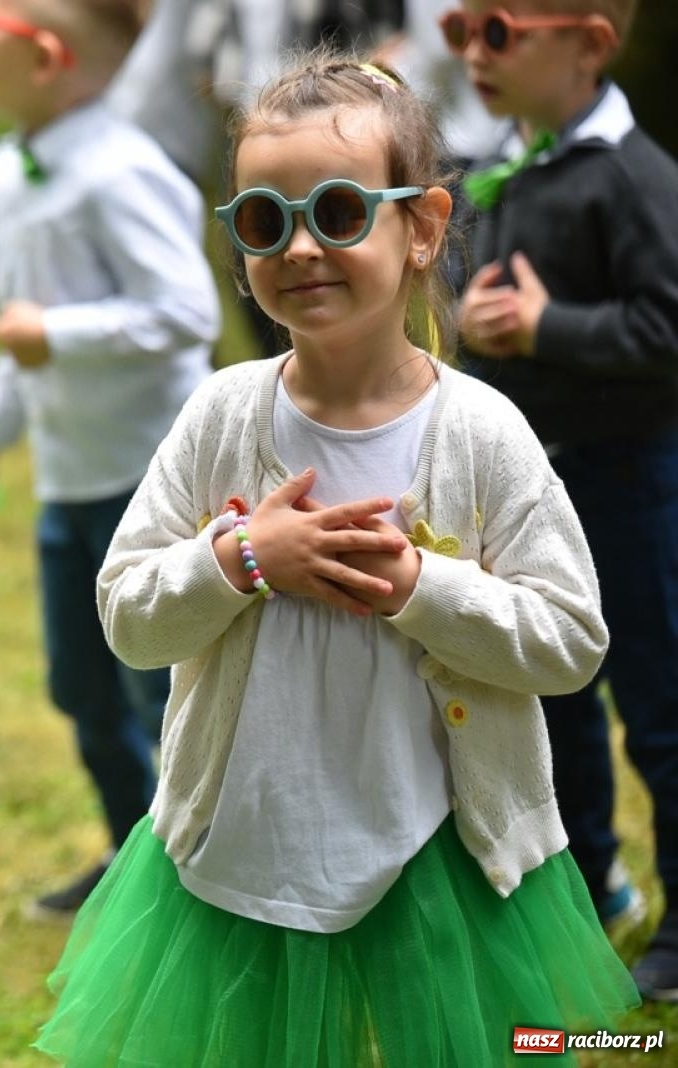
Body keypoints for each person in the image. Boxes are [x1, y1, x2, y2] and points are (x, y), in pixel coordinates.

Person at [35, 55, 638, 1066]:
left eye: (341, 211)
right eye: (265, 221)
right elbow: (129, 619)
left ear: (424, 227)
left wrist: (420, 586)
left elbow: (569, 641)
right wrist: (238, 558)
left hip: (440, 855)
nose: (302, 246)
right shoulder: (222, 416)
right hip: (248, 853)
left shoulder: (482, 433)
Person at [0, 0, 219, 919]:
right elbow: (25, 331)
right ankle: (131, 852)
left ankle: (194, 870)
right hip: (66, 477)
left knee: (154, 688)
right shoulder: (9, 169)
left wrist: (56, 331)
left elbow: (187, 313)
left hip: (145, 479)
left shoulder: (121, 171)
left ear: (48, 58)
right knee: (79, 683)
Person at [451, 0, 678, 999]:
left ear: (588, 43)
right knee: (553, 698)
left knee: (661, 706)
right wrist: (462, 322)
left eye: (496, 31)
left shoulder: (633, 180)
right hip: (531, 490)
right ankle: (585, 886)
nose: (468, 53)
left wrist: (549, 329)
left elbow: (664, 331)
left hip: (632, 484)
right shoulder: (497, 169)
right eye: (457, 28)